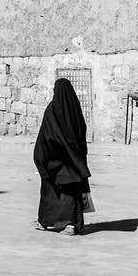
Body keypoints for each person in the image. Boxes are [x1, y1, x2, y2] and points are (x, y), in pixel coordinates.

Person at [33, 77, 91, 235]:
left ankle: (47, 222)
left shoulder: (52, 109)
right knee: (71, 192)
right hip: (72, 162)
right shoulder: (75, 110)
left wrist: (40, 157)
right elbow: (81, 134)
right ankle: (69, 225)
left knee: (50, 191)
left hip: (54, 160)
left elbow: (45, 136)